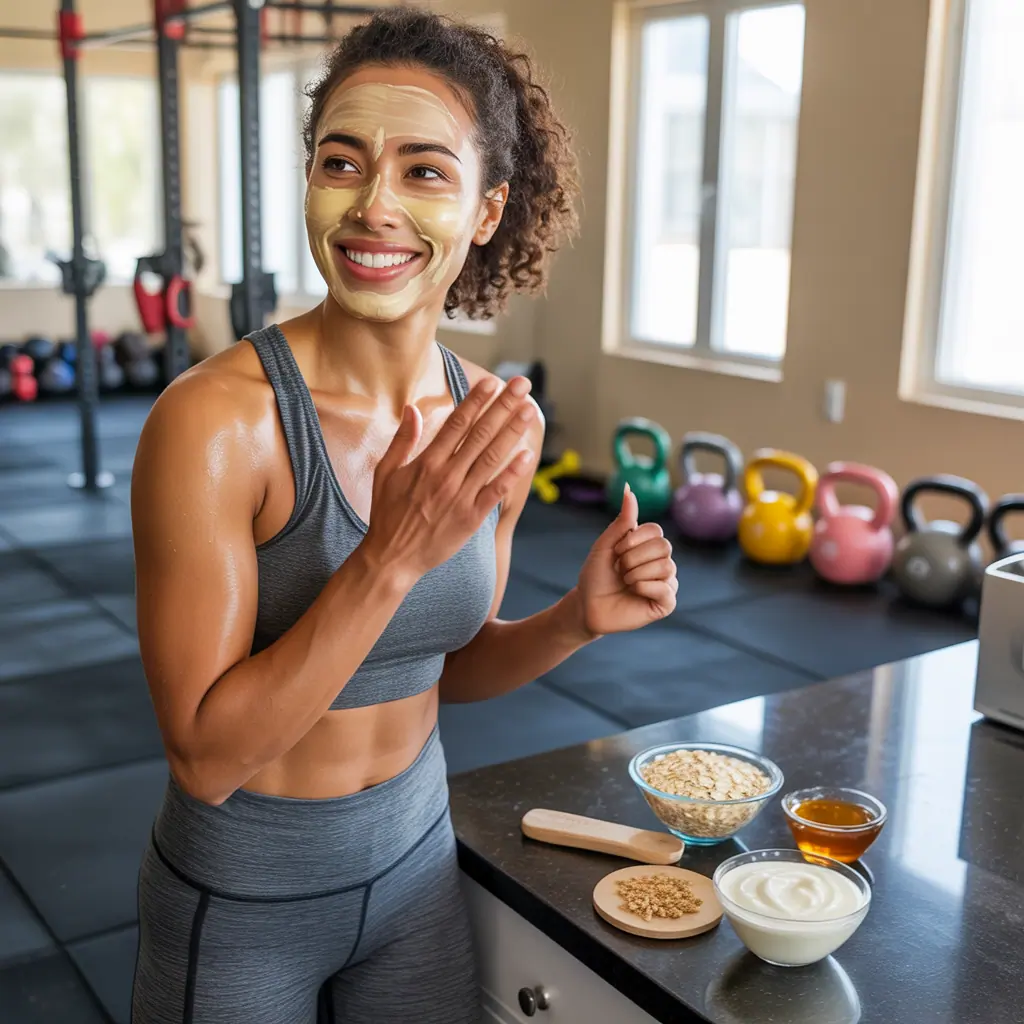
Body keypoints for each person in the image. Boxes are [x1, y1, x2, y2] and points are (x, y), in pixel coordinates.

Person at [130, 9, 678, 1023]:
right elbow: (205, 755)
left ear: (485, 209)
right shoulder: (215, 424)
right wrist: (386, 555)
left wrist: (573, 622)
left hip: (418, 869)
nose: (372, 205)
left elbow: (443, 665)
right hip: (244, 895)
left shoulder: (494, 423)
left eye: (424, 170)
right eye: (342, 162)